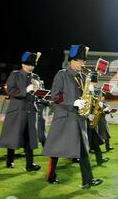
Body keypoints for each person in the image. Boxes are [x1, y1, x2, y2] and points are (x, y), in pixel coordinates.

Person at [42, 44, 103, 187]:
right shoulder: (61, 74)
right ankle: (51, 175)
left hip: (79, 119)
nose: (83, 63)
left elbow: (86, 96)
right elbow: (55, 96)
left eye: (83, 61)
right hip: (64, 116)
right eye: (80, 61)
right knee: (55, 149)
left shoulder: (83, 77)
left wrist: (91, 94)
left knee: (83, 151)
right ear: (72, 60)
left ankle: (87, 180)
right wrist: (72, 102)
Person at [0, 51, 41, 171]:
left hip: (30, 111)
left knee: (29, 138)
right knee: (13, 136)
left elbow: (38, 94)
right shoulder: (15, 74)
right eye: (28, 65)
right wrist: (25, 90)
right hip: (17, 110)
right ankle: (10, 160)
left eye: (32, 65)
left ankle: (30, 164)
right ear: (23, 64)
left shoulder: (36, 77)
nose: (31, 67)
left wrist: (38, 89)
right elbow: (10, 90)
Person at [36, 80, 51, 147]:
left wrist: (42, 100)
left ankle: (45, 147)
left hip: (42, 117)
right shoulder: (32, 92)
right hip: (34, 116)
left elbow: (49, 103)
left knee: (42, 133)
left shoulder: (44, 95)